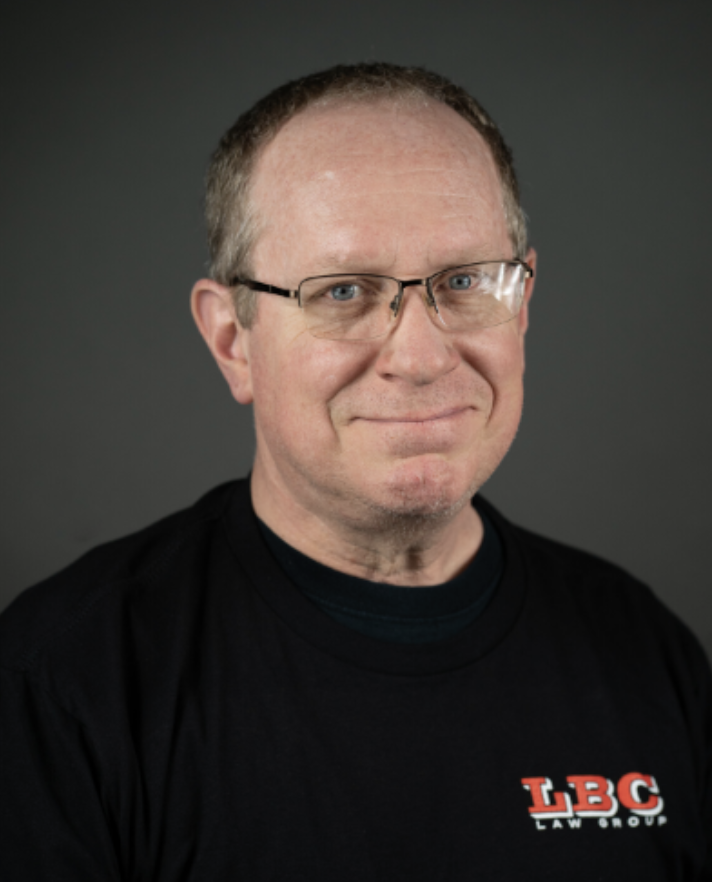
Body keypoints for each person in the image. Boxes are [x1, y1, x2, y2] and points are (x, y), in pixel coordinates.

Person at [1, 63, 710, 881]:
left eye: (466, 281)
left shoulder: (645, 652)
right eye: (342, 290)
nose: (420, 355)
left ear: (524, 303)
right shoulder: (64, 685)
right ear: (234, 340)